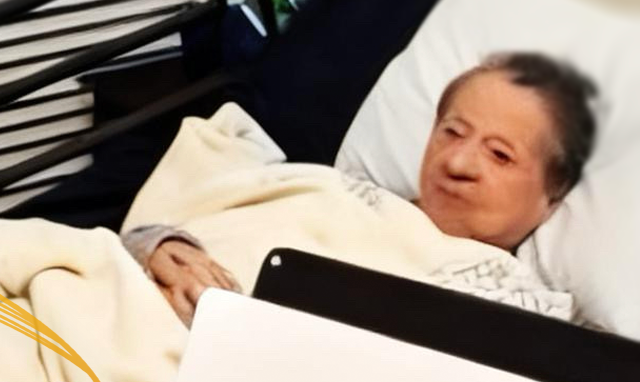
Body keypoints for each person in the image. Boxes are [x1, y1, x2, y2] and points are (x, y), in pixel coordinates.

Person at [124, 51, 598, 325]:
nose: (457, 161)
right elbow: (168, 214)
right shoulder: (325, 189)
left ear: (551, 198)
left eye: (499, 155)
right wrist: (157, 247)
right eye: (452, 132)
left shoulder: (515, 311)